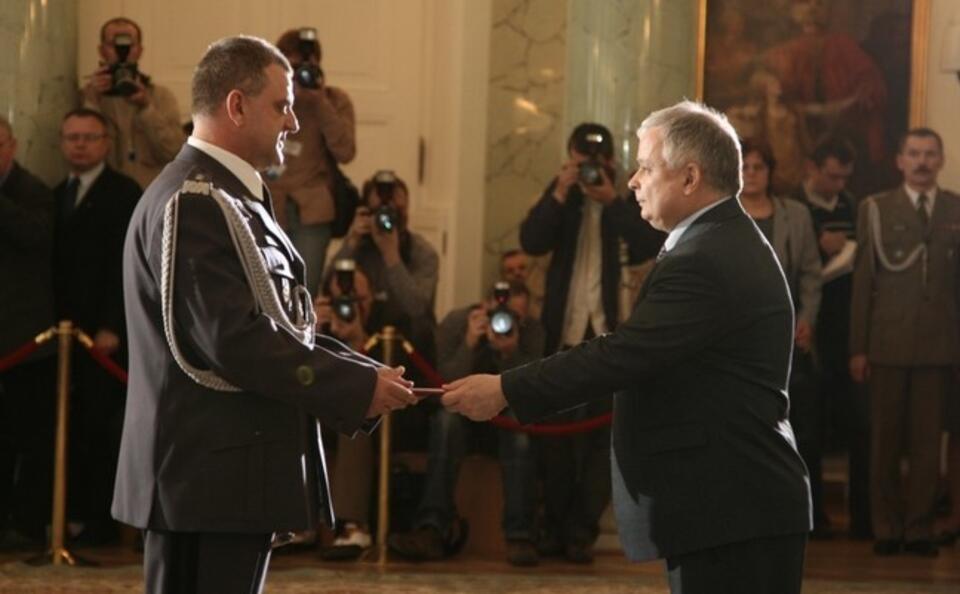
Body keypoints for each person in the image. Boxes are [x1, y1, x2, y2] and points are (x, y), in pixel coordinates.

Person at [444, 101, 811, 594]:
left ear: (689, 177)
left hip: (731, 504)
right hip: (728, 503)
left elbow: (623, 354)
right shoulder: (715, 239)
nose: (633, 181)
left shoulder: (707, 256)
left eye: (645, 167)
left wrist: (506, 388)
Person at [111, 36, 416, 593]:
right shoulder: (196, 199)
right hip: (206, 479)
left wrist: (363, 374)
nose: (294, 123)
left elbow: (279, 322)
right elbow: (233, 341)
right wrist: (349, 386)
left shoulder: (228, 195)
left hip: (222, 478)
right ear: (236, 105)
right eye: (282, 105)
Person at [518, 123, 663, 563]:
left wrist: (612, 201)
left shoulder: (627, 195)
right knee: (556, 441)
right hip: (564, 331)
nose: (592, 167)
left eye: (598, 159)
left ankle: (581, 532)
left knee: (604, 442)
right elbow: (532, 241)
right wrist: (562, 191)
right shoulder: (561, 192)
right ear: (571, 156)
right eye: (584, 158)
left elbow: (647, 244)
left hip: (610, 332)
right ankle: (555, 529)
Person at [849, 128, 960, 558]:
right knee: (886, 442)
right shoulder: (875, 209)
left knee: (928, 444)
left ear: (942, 159)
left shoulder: (954, 208)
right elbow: (864, 283)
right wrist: (858, 348)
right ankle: (887, 527)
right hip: (887, 344)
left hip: (939, 347)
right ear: (899, 161)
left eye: (930, 154)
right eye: (914, 154)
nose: (922, 162)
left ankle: (919, 529)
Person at [388, 281, 543, 566]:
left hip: (508, 415)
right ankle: (432, 528)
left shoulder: (532, 330)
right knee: (446, 423)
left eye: (516, 317)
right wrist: (470, 342)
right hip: (461, 414)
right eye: (503, 312)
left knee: (520, 434)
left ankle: (520, 535)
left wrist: (509, 354)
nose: (506, 321)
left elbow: (532, 392)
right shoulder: (458, 322)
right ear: (486, 304)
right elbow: (441, 385)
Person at [53, 108, 142, 545]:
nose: (80, 145)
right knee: (69, 425)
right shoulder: (57, 194)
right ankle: (65, 516)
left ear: (106, 142)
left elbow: (125, 267)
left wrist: (113, 326)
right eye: (72, 137)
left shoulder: (124, 193)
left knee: (101, 426)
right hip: (65, 334)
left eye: (89, 137)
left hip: (107, 336)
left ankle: (101, 521)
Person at [739, 139, 825, 536]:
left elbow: (809, 273)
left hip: (785, 336)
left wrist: (807, 318)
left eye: (759, 166)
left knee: (790, 428)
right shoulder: (725, 214)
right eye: (745, 166)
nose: (751, 173)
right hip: (737, 340)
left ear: (770, 171)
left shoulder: (795, 215)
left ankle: (791, 512)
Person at [788, 136, 870, 538]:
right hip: (804, 331)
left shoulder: (853, 207)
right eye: (832, 176)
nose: (838, 185)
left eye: (844, 178)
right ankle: (811, 517)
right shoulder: (792, 207)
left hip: (844, 329)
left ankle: (861, 520)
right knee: (808, 431)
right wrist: (820, 249)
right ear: (812, 168)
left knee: (855, 425)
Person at [0, 116, 56, 548]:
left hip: (25, 338)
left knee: (29, 436)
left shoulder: (34, 191)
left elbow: (36, 237)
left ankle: (27, 524)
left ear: (12, 146)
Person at [267, 27, 356, 291]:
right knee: (266, 293)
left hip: (312, 212)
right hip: (268, 207)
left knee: (303, 293)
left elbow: (346, 151)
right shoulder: (267, 98)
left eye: (307, 64)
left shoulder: (334, 100)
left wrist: (318, 103)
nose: (300, 72)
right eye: (292, 65)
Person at [331, 171, 438, 359]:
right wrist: (351, 243)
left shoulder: (423, 252)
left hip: (409, 345)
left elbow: (417, 309)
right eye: (378, 211)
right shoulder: (359, 246)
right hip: (359, 336)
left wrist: (392, 255)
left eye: (393, 212)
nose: (385, 219)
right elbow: (327, 290)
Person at [81, 17, 184, 188]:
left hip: (149, 196)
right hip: (104, 195)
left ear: (139, 50)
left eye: (129, 44)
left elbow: (174, 152)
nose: (123, 50)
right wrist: (92, 104)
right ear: (101, 50)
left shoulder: (160, 97)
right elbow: (81, 154)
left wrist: (147, 109)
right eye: (114, 44)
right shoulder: (87, 96)